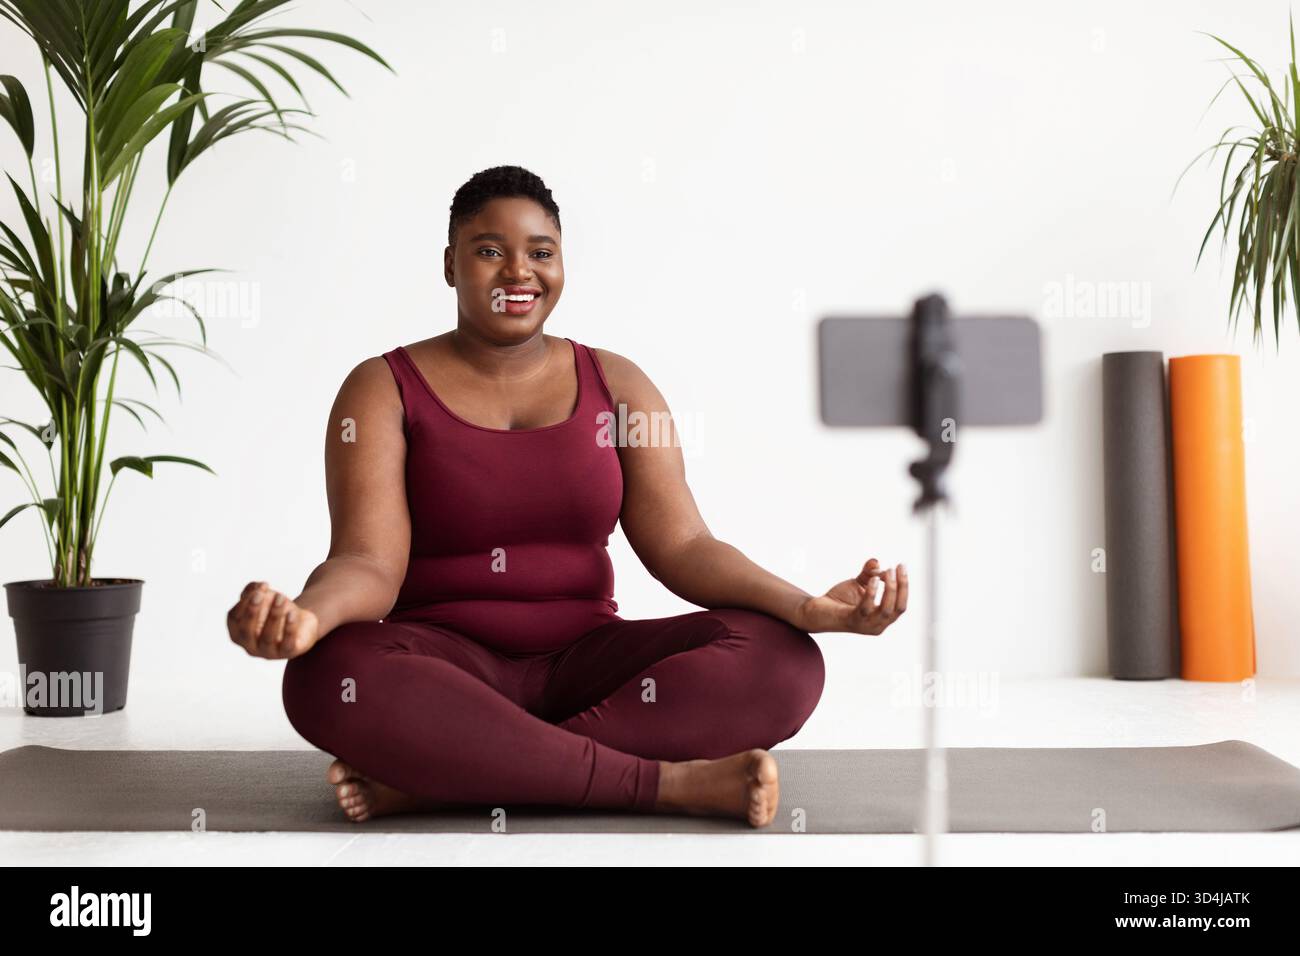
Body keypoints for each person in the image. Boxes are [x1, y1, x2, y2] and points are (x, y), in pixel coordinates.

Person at [226, 165, 908, 827]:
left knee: (782, 659)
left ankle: (456, 775)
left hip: (589, 664)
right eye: (489, 251)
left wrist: (807, 606)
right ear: (448, 265)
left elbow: (685, 544)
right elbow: (369, 562)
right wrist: (308, 618)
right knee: (326, 674)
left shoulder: (621, 385)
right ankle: (664, 786)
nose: (518, 272)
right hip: (440, 667)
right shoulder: (381, 387)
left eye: (540, 252)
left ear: (562, 264)